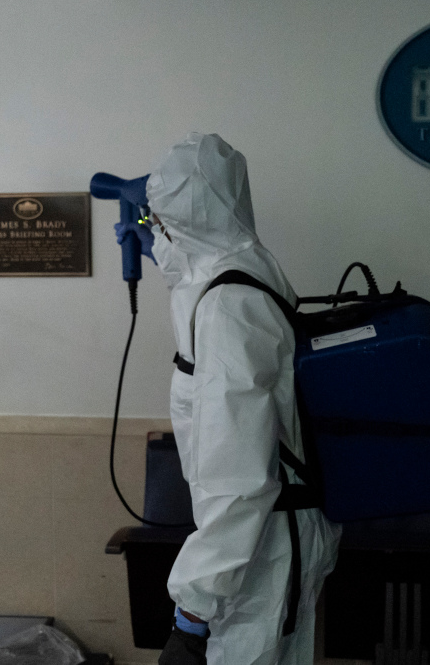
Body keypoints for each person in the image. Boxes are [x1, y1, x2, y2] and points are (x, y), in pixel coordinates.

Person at [146, 133, 341, 665]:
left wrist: (192, 614)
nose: (157, 228)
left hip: (260, 548)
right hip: (263, 538)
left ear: (183, 215)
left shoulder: (228, 309)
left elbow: (240, 480)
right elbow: (187, 270)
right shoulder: (243, 268)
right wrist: (158, 242)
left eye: (162, 217)